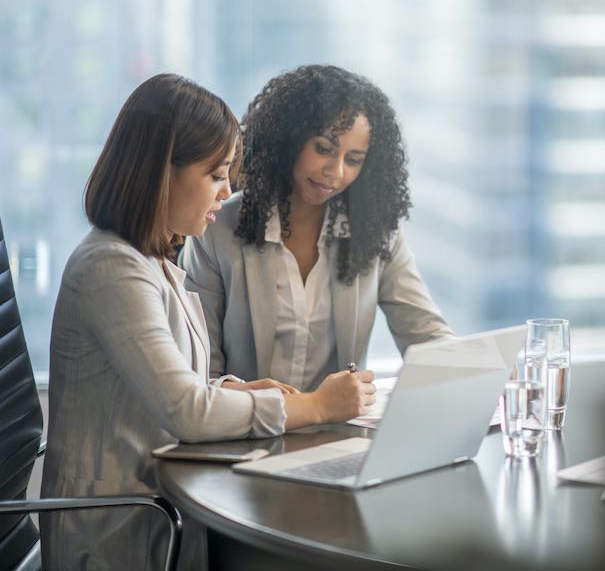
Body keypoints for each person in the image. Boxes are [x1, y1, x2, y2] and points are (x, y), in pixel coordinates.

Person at [39, 73, 376, 571]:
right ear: (161, 173)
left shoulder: (149, 260)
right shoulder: (111, 270)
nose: (227, 192)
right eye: (215, 175)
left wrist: (236, 391)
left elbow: (176, 386)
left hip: (157, 510)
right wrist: (316, 406)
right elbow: (188, 411)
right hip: (119, 534)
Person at [179, 64, 454, 393]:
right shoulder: (216, 230)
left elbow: (426, 334)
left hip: (338, 437)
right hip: (245, 436)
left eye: (353, 159)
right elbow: (198, 372)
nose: (335, 172)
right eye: (324, 149)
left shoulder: (377, 233)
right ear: (289, 140)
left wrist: (480, 370)